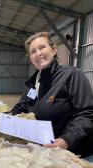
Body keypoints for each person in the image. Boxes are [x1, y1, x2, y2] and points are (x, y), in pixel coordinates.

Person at [10, 32, 93, 161]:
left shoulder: (72, 75)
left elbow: (86, 113)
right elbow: (23, 106)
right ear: (30, 58)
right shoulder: (33, 82)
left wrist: (66, 140)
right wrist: (3, 117)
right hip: (50, 152)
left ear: (54, 50)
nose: (38, 53)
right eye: (33, 51)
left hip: (77, 153)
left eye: (42, 47)